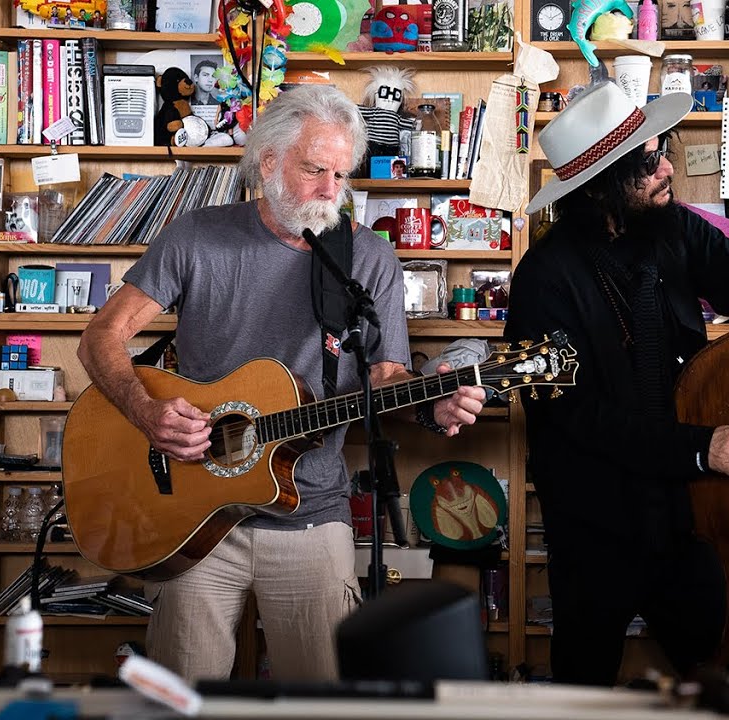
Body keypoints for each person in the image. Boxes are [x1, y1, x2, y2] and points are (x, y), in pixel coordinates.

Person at [77, 85, 487, 683]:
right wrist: (146, 413)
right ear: (268, 161)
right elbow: (100, 338)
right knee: (181, 698)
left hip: (312, 515)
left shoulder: (367, 258)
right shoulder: (197, 236)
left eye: (341, 175)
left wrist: (433, 401)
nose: (330, 191)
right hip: (190, 517)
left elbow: (387, 379)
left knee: (321, 700)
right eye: (315, 170)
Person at [506, 82, 729, 686]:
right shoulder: (540, 278)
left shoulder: (672, 227)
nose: (668, 167)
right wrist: (702, 446)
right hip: (596, 526)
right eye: (649, 162)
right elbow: (574, 416)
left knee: (716, 680)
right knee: (582, 685)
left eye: (663, 149)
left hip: (686, 518)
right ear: (601, 183)